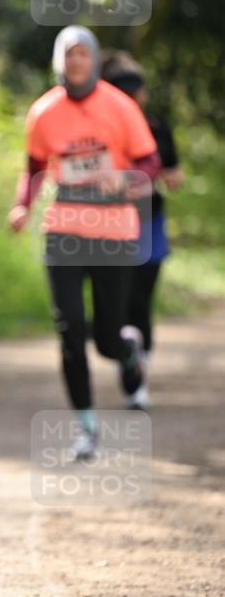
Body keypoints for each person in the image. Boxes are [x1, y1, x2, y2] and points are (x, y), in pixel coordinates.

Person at [8, 26, 160, 460]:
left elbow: (150, 161)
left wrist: (125, 178)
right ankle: (87, 428)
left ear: (93, 60)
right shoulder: (43, 111)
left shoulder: (120, 105)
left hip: (114, 231)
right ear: (59, 60)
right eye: (68, 53)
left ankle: (127, 350)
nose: (75, 61)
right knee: (70, 330)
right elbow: (33, 166)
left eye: (82, 53)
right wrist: (22, 205)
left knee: (107, 340)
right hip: (64, 229)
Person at [102, 51, 183, 409]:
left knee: (139, 302)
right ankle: (132, 376)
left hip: (149, 223)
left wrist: (152, 175)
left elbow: (175, 175)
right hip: (105, 225)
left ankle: (137, 383)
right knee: (117, 305)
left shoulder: (157, 126)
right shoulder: (100, 128)